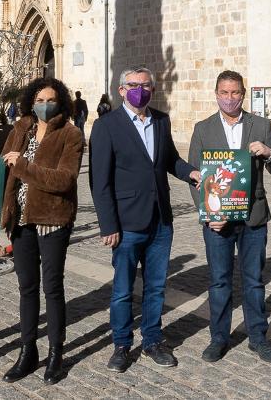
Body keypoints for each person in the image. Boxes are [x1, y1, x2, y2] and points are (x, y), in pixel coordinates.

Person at [89, 67, 200, 372]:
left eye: (146, 85)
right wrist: (108, 225)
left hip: (161, 221)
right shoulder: (106, 126)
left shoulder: (161, 120)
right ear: (121, 90)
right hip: (126, 224)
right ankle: (122, 344)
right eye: (134, 85)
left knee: (155, 287)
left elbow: (169, 160)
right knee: (123, 289)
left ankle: (152, 339)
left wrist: (190, 172)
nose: (141, 90)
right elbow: (99, 182)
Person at [187, 70, 271, 363]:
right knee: (219, 280)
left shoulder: (260, 125)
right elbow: (195, 178)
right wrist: (208, 214)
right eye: (224, 93)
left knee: (254, 279)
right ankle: (219, 338)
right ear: (216, 94)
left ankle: (258, 337)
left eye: (235, 93)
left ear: (243, 94)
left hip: (253, 217)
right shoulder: (203, 129)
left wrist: (268, 152)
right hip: (218, 221)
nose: (230, 98)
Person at [0, 77, 85, 384]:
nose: (44, 105)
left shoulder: (71, 134)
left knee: (52, 287)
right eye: (38, 100)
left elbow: (64, 180)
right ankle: (27, 350)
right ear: (29, 102)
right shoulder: (21, 128)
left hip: (52, 220)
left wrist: (22, 166)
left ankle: (55, 353)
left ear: (60, 102)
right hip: (21, 221)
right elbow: (4, 176)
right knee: (26, 288)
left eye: (50, 100)